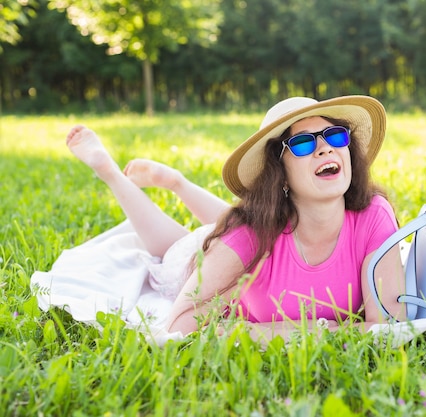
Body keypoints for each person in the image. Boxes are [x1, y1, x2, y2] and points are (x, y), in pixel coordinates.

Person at [60, 95, 406, 341]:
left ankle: (176, 182)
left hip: (262, 232)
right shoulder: (247, 235)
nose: (326, 148)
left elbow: (389, 326)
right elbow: (179, 325)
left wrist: (288, 333)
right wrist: (314, 330)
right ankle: (110, 172)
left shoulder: (374, 215)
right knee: (175, 246)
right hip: (215, 254)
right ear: (279, 172)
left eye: (335, 135)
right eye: (302, 144)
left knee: (241, 224)